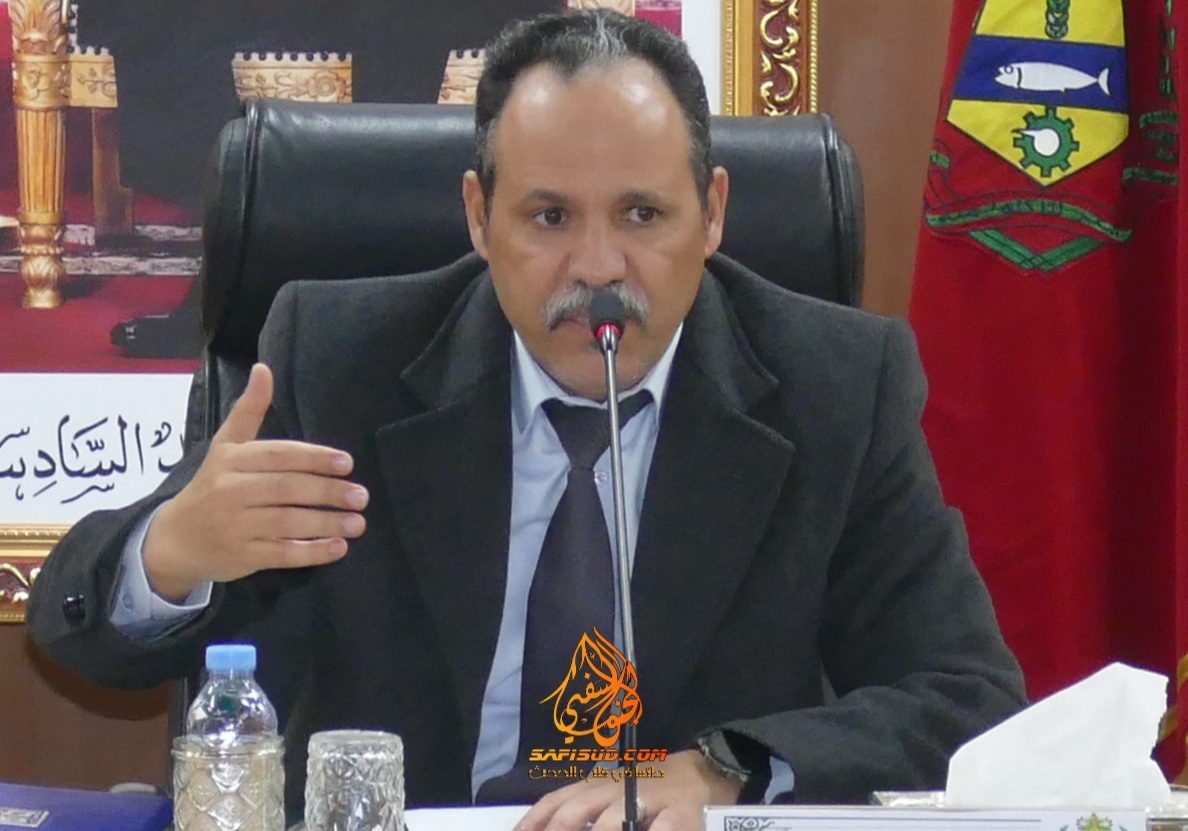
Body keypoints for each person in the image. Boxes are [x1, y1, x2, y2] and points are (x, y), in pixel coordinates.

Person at [27, 10, 1027, 831]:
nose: (597, 267)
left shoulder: (833, 386)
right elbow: (79, 631)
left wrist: (726, 770)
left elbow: (965, 700)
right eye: (550, 217)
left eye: (642, 215)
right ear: (478, 215)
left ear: (714, 211)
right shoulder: (340, 360)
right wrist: (176, 551)